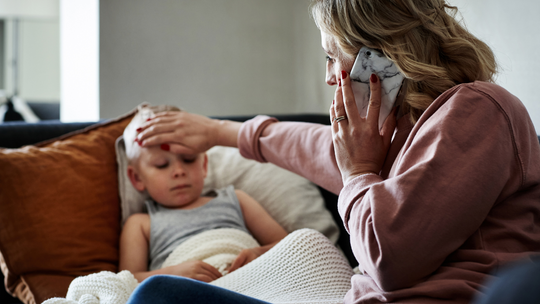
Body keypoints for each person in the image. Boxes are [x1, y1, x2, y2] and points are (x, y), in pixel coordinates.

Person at [128, 0, 540, 303]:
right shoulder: (401, 131)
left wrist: (360, 172)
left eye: (331, 56)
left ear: (380, 54)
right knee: (159, 292)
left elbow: (389, 260)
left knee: (158, 298)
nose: (328, 77)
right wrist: (220, 132)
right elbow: (315, 149)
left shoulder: (478, 109)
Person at [119, 107, 288, 283]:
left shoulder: (236, 199)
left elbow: (291, 245)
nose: (179, 171)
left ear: (204, 165)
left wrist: (259, 254)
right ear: (137, 178)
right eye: (162, 165)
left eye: (189, 160)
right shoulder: (140, 224)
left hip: (252, 282)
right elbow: (125, 282)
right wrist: (172, 274)